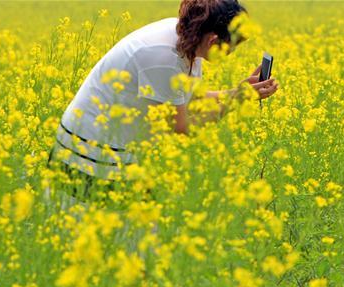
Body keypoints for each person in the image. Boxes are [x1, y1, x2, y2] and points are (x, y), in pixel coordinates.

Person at [45, 0, 278, 209]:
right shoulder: (164, 56)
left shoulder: (188, 41)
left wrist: (238, 91)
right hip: (91, 150)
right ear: (213, 40)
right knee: (111, 239)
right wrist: (238, 101)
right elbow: (182, 127)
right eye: (232, 46)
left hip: (120, 148)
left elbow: (188, 99)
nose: (232, 53)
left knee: (137, 238)